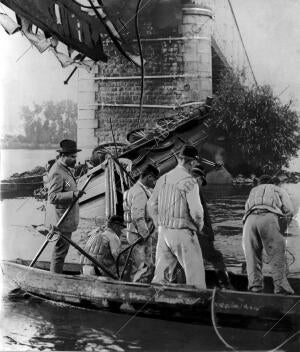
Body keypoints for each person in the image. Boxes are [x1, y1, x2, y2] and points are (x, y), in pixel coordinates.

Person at [148, 145, 206, 289]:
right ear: (192, 162)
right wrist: (198, 227)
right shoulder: (191, 181)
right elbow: (197, 213)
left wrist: (157, 223)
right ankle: (197, 306)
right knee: (195, 276)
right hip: (183, 232)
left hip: (163, 233)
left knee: (161, 276)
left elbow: (151, 204)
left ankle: (157, 303)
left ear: (179, 159)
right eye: (195, 163)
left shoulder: (163, 179)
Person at [242, 174, 295, 294]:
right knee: (276, 254)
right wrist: (281, 230)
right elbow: (290, 211)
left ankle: (255, 287)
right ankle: (281, 288)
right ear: (273, 183)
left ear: (259, 183)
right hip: (268, 217)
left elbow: (246, 210)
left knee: (252, 255)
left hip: (249, 220)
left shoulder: (253, 190)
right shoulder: (278, 189)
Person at [45, 139, 85, 273]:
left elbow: (66, 186)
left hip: (66, 218)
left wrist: (72, 192)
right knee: (60, 252)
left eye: (75, 157)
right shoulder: (57, 172)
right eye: (72, 157)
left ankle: (56, 274)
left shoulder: (65, 169)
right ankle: (54, 279)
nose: (75, 160)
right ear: (63, 156)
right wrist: (73, 194)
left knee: (62, 250)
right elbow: (52, 197)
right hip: (61, 220)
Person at [192, 165, 232, 289]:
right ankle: (224, 285)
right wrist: (205, 232)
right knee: (216, 257)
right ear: (198, 178)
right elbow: (199, 214)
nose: (201, 184)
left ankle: (182, 284)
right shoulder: (194, 190)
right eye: (201, 181)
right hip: (199, 232)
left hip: (185, 232)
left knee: (189, 260)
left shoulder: (181, 188)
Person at [123, 164, 160, 282]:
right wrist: (145, 234)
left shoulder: (139, 189)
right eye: (154, 179)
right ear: (149, 177)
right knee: (140, 266)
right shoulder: (139, 192)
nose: (155, 182)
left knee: (145, 264)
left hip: (136, 233)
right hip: (139, 236)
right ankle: (137, 290)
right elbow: (138, 217)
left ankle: (141, 284)